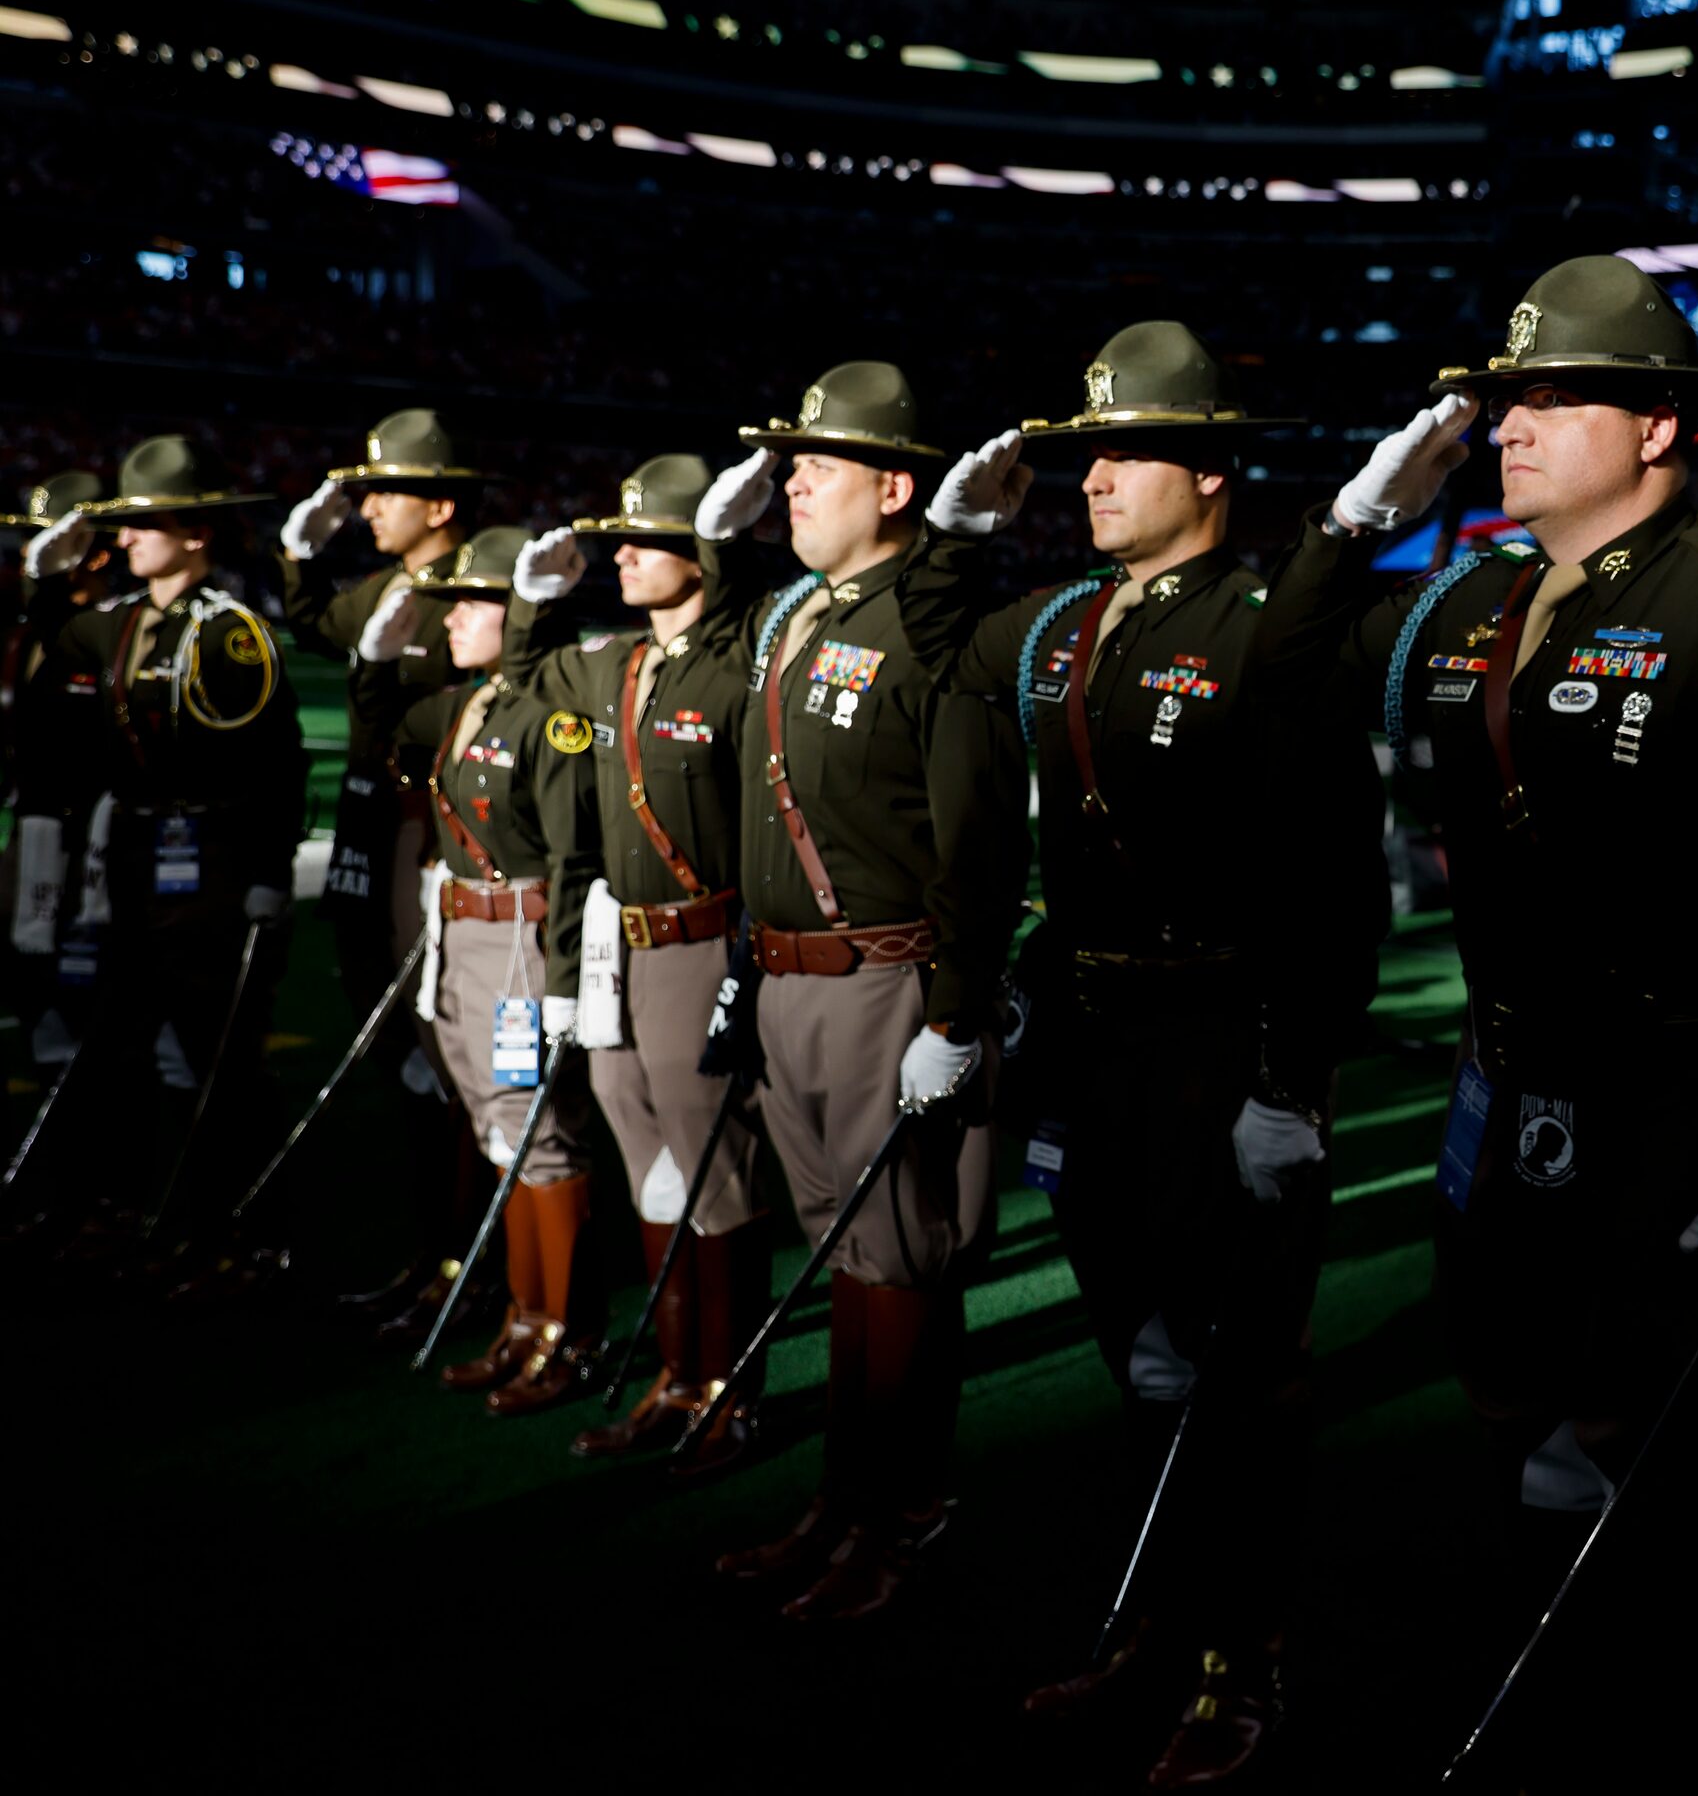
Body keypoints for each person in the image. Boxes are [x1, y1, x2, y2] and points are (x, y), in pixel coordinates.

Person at [1304, 256, 1698, 1764]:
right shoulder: (1465, 601)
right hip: (1508, 1092)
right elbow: (1283, 680)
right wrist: (1351, 528)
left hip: (1682, 1102)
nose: (1511, 425)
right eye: (1506, 397)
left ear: (1659, 426)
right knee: (1523, 1428)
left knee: (1669, 1461)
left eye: (1555, 396)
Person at [899, 322, 1387, 1783]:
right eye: (1088, 453)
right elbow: (940, 655)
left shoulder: (1266, 623)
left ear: (1213, 473)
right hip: (1098, 1038)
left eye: (1128, 451)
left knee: (1245, 1372)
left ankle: (1249, 1654)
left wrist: (1293, 1076)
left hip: (1221, 1037)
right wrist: (949, 536)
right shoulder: (1060, 624)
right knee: (1149, 1360)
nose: (1094, 477)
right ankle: (1166, 1623)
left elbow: (1335, 880)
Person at [692, 363, 1029, 1622]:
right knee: (844, 1255)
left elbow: (974, 838)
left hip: (887, 981)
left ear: (895, 486)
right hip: (787, 980)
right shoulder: (795, 614)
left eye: (813, 464)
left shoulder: (928, 623)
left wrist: (951, 1012)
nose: (790, 482)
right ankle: (844, 1498)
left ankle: (903, 1510)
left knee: (897, 1259)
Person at [502, 455, 774, 1476]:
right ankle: (675, 1378)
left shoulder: (733, 656)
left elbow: (750, 609)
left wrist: (721, 545)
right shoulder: (610, 663)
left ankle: (728, 1392)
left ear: (697, 556)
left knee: (721, 1177)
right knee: (655, 1173)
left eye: (644, 540)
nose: (620, 554)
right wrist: (534, 602)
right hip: (620, 946)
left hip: (705, 942)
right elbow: (528, 673)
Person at [12, 438, 302, 1286]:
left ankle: (240, 1233)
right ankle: (129, 1212)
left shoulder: (230, 632)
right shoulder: (122, 621)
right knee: (119, 1048)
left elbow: (274, 762)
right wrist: (42, 579)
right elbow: (47, 656)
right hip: (136, 860)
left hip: (210, 861)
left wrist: (267, 873)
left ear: (198, 532)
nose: (129, 538)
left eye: (146, 522)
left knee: (220, 1062)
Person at [376, 527, 603, 1415]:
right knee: (497, 1129)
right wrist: (377, 647)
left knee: (540, 1134)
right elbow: (379, 715)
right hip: (463, 933)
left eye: (473, 603)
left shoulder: (543, 710)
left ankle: (565, 1326)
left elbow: (572, 851)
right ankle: (522, 1312)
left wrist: (558, 982)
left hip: (520, 938)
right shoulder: (468, 701)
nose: (452, 621)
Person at [277, 408, 480, 1342]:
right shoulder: (379, 588)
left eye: (384, 491)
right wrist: (300, 558)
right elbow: (317, 620)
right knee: (392, 1042)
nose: (365, 508)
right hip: (368, 831)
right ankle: (433, 1249)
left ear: (440, 504)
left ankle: (468, 1260)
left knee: (447, 1052)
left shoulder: (475, 589)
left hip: (426, 834)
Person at [1, 470, 108, 1067]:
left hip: (102, 841)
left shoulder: (123, 625)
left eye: (51, 539)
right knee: (30, 976)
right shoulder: (22, 635)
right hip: (33, 829)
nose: (31, 554)